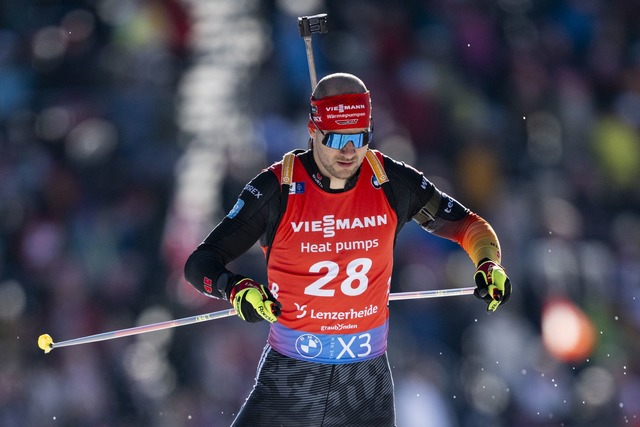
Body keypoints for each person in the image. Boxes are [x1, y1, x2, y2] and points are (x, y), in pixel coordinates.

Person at [184, 72, 511, 426]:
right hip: (292, 376)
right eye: (337, 137)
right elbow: (200, 263)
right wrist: (234, 289)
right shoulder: (278, 188)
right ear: (313, 130)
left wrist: (488, 263)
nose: (350, 151)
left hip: (364, 380)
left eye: (360, 137)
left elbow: (468, 225)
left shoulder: (390, 181)